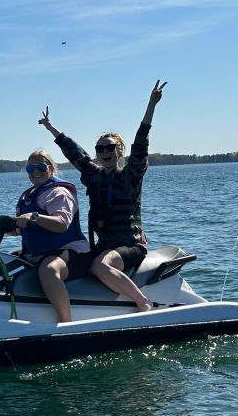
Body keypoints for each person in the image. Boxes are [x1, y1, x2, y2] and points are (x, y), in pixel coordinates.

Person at [38, 80, 167, 311]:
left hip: (130, 244)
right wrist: (51, 128)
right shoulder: (94, 175)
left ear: (120, 151)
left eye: (110, 147)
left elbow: (140, 144)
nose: (104, 152)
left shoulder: (130, 175)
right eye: (100, 148)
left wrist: (151, 105)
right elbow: (75, 153)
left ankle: (143, 303)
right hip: (104, 244)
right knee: (71, 259)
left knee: (100, 266)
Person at [11, 149, 91, 323]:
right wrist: (4, 227)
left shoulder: (60, 193)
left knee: (49, 270)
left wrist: (35, 217)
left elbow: (61, 223)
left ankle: (66, 323)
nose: (36, 172)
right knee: (4, 261)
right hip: (40, 252)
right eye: (30, 169)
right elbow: (22, 229)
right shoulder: (28, 196)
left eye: (41, 167)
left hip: (72, 252)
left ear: (51, 169)